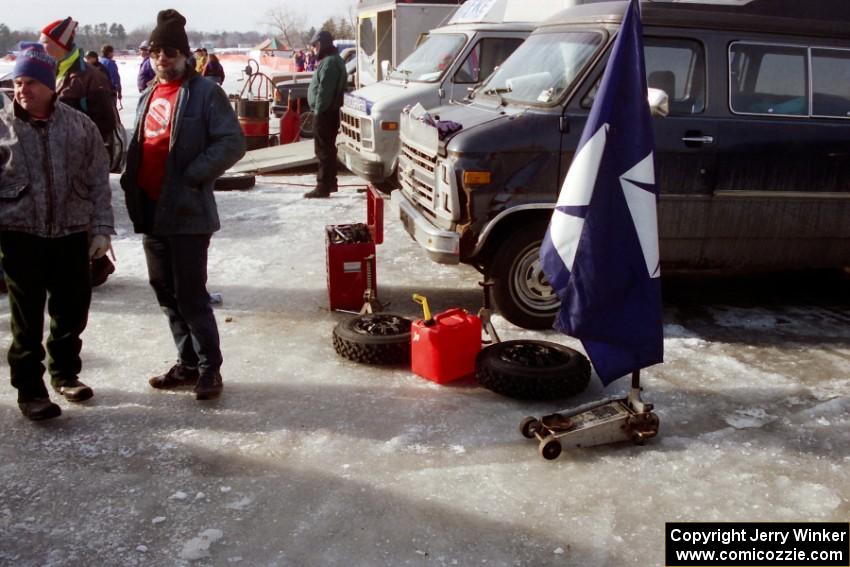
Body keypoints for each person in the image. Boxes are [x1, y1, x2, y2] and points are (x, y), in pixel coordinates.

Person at [120, 9, 246, 401]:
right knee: (165, 293)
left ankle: (210, 369)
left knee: (191, 295)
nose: (162, 58)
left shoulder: (206, 93)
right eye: (156, 51)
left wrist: (193, 175)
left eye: (170, 51)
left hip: (188, 213)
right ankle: (187, 364)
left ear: (185, 55)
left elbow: (232, 143)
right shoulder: (146, 95)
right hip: (152, 211)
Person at [0, 44, 114, 421]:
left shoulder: (79, 126)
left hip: (70, 232)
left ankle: (65, 374)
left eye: (31, 81)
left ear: (50, 85)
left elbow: (99, 180)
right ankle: (30, 390)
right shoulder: (3, 126)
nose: (22, 89)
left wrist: (100, 230)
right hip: (20, 234)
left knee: (71, 311)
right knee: (26, 317)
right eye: (18, 81)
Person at [39, 17, 116, 143]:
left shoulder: (90, 77)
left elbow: (105, 123)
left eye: (44, 42)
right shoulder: (44, 73)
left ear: (60, 45)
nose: (40, 47)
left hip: (78, 155)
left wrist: (75, 146)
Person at [304, 31, 347, 199]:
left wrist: (318, 111)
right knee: (328, 148)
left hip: (325, 113)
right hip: (328, 112)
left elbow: (324, 91)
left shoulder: (329, 63)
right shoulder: (333, 60)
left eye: (315, 46)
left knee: (323, 150)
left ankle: (323, 186)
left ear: (321, 44)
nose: (314, 49)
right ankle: (330, 183)